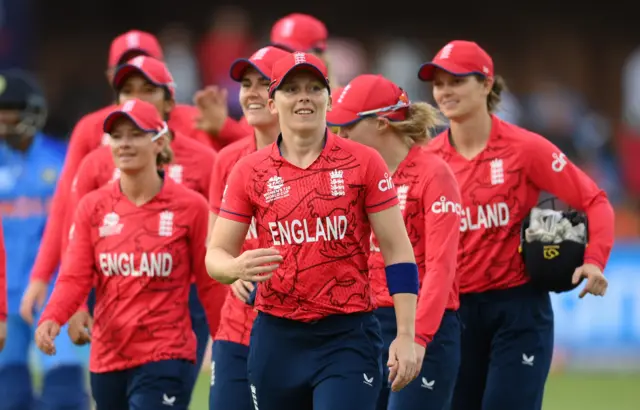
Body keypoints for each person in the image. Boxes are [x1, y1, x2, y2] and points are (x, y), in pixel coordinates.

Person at [206, 52, 421, 410]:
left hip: (347, 336)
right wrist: (235, 268)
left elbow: (398, 251)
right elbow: (215, 255)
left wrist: (406, 335)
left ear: (329, 98)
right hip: (276, 337)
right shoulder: (249, 171)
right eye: (292, 89)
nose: (304, 96)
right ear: (273, 103)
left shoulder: (364, 162)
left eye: (313, 88)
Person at [417, 40, 615, 410]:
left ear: (486, 84)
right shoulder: (427, 160)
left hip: (518, 310)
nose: (445, 91)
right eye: (439, 83)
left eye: (456, 81)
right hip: (452, 314)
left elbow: (595, 201)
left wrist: (595, 259)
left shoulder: (525, 148)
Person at [25, 55, 218, 402]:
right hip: (109, 352)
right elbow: (75, 272)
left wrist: (229, 340)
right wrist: (56, 314)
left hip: (168, 345)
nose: (125, 143)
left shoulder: (193, 199)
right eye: (117, 136)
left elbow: (212, 278)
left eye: (135, 135)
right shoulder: (94, 204)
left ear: (160, 141)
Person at [25, 29, 247, 319]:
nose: (139, 96)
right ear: (112, 80)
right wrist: (46, 279)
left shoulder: (198, 121)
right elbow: (67, 210)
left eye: (148, 82)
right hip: (113, 278)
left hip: (187, 283)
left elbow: (249, 176)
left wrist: (225, 131)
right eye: (129, 82)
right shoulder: (91, 131)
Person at [327, 74, 463, 410]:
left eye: (348, 126)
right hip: (362, 328)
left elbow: (440, 267)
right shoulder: (349, 176)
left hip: (423, 327)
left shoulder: (434, 174)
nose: (339, 136)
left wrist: (417, 337)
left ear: (381, 123)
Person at [0, 70, 89, 409]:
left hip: (55, 290)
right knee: (10, 400)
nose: (3, 118)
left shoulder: (63, 158)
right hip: (4, 297)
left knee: (63, 399)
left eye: (10, 109)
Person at [207, 45, 289, 410]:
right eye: (246, 84)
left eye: (263, 83)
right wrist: (233, 270)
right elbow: (215, 245)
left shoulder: (320, 157)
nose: (252, 93)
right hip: (237, 327)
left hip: (298, 328)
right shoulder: (227, 159)